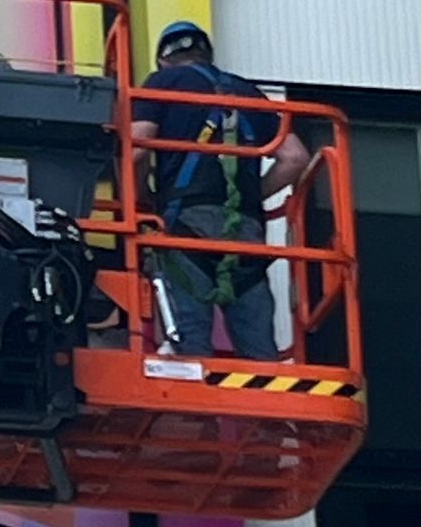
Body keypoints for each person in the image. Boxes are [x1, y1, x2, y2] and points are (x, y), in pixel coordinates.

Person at [132, 20, 308, 361]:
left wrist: (142, 198)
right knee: (261, 358)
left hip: (186, 226)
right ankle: (269, 411)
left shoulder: (162, 83)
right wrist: (253, 196)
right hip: (246, 234)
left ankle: (194, 408)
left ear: (164, 59)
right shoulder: (248, 92)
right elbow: (296, 157)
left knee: (191, 350)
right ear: (207, 54)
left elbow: (137, 149)